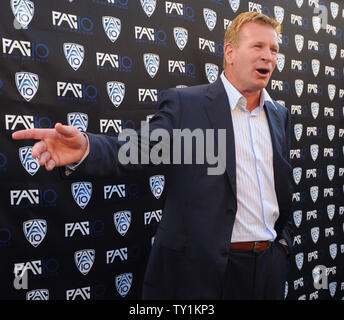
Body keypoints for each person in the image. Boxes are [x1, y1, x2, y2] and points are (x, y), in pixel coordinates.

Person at [12, 11, 293, 299]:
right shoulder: (188, 105)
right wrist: (86, 147)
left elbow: (279, 189)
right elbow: (140, 149)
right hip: (207, 273)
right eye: (257, 46)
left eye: (274, 49)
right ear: (230, 53)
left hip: (268, 270)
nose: (268, 57)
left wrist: (282, 245)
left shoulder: (278, 115)